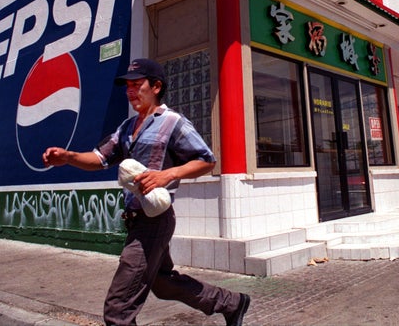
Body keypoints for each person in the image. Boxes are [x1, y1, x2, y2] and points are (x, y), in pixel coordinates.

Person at [42, 58, 250, 326]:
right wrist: (69, 156)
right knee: (162, 284)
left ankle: (230, 303)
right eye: (127, 86)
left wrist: (168, 174)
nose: (130, 91)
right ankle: (231, 303)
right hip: (135, 218)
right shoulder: (127, 127)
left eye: (137, 85)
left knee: (119, 308)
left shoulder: (173, 122)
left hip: (155, 219)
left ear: (156, 86)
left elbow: (207, 160)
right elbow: (99, 158)